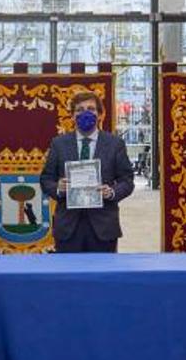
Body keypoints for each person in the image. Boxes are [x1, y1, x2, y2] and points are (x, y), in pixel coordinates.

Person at [39, 91, 135, 253]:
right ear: (72, 115)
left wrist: (111, 192)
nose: (85, 113)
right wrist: (58, 188)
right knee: (69, 277)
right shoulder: (59, 144)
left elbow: (127, 181)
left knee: (102, 277)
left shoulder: (115, 144)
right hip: (68, 227)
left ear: (100, 115)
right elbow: (46, 179)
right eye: (80, 110)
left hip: (103, 227)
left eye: (91, 109)